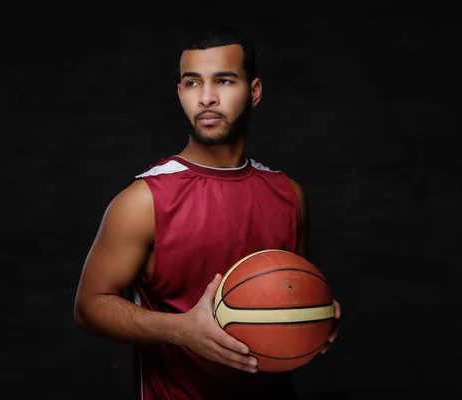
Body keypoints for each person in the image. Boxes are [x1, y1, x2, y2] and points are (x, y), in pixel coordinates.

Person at [74, 24, 341, 400]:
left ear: (255, 91)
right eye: (193, 83)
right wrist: (181, 329)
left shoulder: (289, 194)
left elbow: (285, 287)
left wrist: (316, 311)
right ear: (181, 92)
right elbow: (89, 308)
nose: (207, 98)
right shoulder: (144, 199)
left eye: (225, 81)